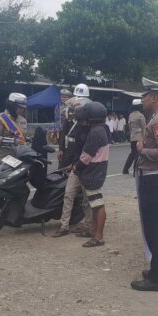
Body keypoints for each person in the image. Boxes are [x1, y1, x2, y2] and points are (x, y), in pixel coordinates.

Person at [131, 78, 158, 292]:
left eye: (144, 96)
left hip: (155, 178)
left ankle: (156, 279)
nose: (142, 99)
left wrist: (142, 150)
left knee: (155, 228)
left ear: (154, 97)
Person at [73, 101, 110, 248]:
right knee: (95, 205)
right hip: (99, 170)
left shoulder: (95, 132)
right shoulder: (103, 128)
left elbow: (86, 156)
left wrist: (77, 167)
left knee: (98, 205)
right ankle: (93, 231)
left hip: (93, 172)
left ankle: (99, 237)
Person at [52, 102, 92, 239]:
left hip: (86, 169)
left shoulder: (92, 132)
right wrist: (71, 163)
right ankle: (64, 226)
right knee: (68, 195)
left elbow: (88, 154)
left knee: (87, 200)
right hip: (76, 167)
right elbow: (73, 147)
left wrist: (76, 165)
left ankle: (88, 226)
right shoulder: (75, 126)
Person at [0, 92, 27, 172]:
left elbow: (23, 137)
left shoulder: (22, 120)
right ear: (12, 106)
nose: (22, 110)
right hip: (3, 158)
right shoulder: (0, 119)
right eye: (20, 108)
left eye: (23, 108)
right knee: (3, 183)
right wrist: (13, 141)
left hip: (17, 158)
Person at [122, 99, 145, 174]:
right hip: (139, 137)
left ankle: (125, 169)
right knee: (138, 154)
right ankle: (136, 171)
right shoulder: (141, 116)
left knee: (132, 153)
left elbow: (129, 127)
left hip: (132, 136)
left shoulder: (131, 115)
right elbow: (143, 127)